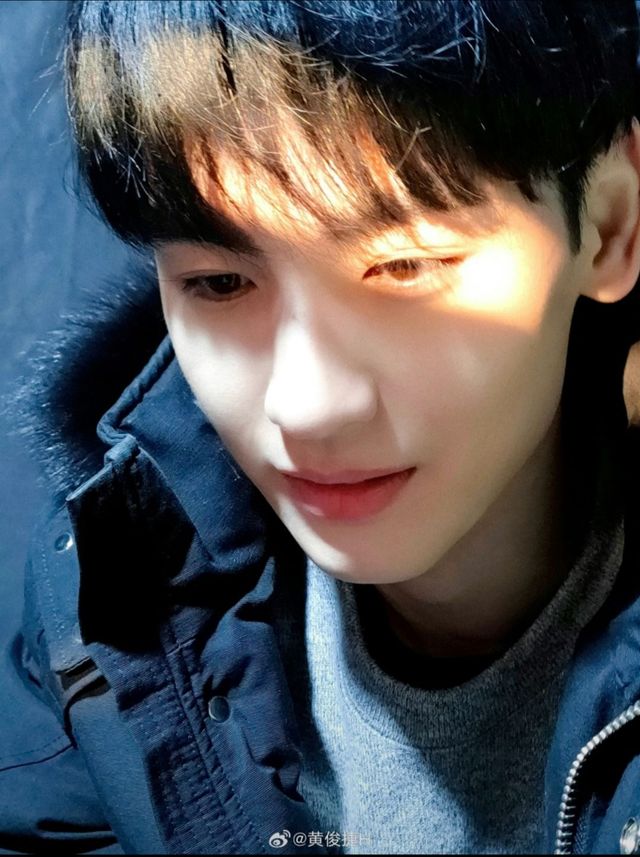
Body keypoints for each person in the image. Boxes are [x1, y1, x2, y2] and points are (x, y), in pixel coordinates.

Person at [3, 0, 640, 853]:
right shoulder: (106, 597)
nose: (305, 406)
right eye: (219, 284)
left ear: (611, 224)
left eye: (406, 265)